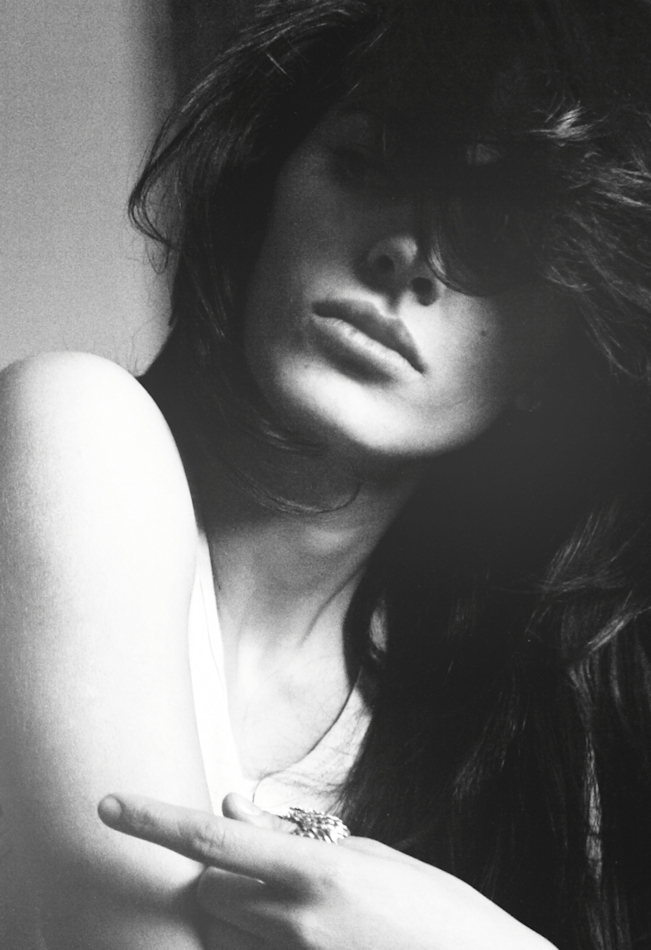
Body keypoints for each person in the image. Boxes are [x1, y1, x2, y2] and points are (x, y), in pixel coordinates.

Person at [2, 0, 651, 947]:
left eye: (497, 236)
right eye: (368, 164)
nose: (408, 257)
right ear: (267, 190)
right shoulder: (76, 427)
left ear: (556, 361)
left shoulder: (495, 730)